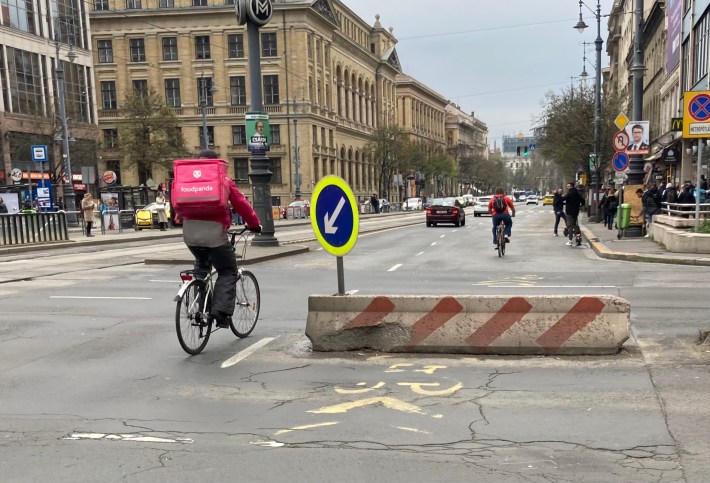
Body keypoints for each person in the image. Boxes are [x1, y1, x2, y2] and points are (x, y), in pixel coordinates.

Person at [179, 149, 262, 329]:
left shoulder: (184, 179)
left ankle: (200, 309)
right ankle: (220, 313)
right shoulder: (223, 181)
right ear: (216, 164)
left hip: (190, 233)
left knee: (201, 270)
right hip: (215, 234)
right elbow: (241, 204)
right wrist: (254, 224)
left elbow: (177, 204)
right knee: (227, 271)